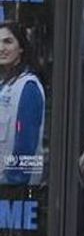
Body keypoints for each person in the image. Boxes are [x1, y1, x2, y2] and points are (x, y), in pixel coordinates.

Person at [0, 22, 45, 186]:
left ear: (21, 48)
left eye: (8, 41)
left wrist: (13, 183)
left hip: (14, 191)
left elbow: (26, 145)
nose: (1, 48)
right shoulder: (5, 85)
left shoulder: (28, 87)